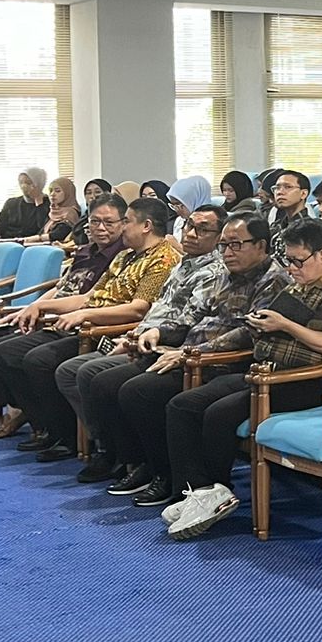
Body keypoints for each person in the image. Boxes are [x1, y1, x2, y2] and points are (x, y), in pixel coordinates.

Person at [160, 218, 322, 538]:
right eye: (288, 260)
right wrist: (260, 325)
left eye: (299, 261)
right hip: (264, 371)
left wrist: (284, 324)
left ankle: (218, 491)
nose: (292, 268)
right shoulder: (294, 287)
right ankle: (197, 491)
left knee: (218, 414)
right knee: (183, 405)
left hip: (303, 382)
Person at [104, 213, 288, 504]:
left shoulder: (274, 280)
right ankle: (151, 466)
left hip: (220, 363)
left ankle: (172, 478)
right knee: (117, 383)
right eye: (224, 245)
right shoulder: (225, 274)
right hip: (187, 354)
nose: (227, 252)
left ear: (261, 245)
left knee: (140, 391)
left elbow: (248, 332)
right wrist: (159, 331)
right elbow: (193, 315)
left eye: (236, 245)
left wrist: (190, 353)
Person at [0, 197, 182, 462]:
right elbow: (88, 297)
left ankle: (98, 444)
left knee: (46, 362)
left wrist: (83, 315)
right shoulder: (124, 256)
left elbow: (139, 309)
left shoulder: (163, 259)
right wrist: (41, 306)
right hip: (88, 323)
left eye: (126, 221)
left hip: (110, 330)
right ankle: (71, 433)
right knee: (10, 352)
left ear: (146, 226)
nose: (122, 227)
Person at [52, 204, 227, 482]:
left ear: (219, 237)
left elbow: (187, 322)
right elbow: (156, 310)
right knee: (75, 371)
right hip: (142, 338)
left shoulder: (211, 271)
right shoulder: (181, 264)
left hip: (169, 348)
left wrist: (139, 337)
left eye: (202, 229)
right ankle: (112, 451)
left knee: (107, 381)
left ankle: (133, 460)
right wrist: (133, 336)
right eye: (189, 226)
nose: (191, 234)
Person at [0, 193, 128, 439]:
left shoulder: (122, 257)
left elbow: (88, 299)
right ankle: (25, 409)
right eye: (95, 221)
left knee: (7, 353)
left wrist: (42, 310)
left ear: (124, 223)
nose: (100, 228)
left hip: (72, 321)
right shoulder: (85, 250)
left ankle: (46, 424)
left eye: (109, 222)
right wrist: (31, 307)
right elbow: (61, 286)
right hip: (50, 313)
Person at [267, 170, 310, 263]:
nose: (280, 192)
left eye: (288, 187)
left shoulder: (308, 228)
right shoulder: (276, 225)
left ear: (303, 194)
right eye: (277, 188)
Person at [0, 167, 49, 239]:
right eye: (21, 182)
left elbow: (43, 228)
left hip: (34, 242)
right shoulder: (11, 203)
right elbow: (0, 228)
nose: (23, 186)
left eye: (28, 183)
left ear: (39, 184)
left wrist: (38, 202)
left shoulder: (50, 204)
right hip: (11, 241)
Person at [28, 176, 82, 245]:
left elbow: (58, 235)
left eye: (57, 191)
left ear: (68, 193)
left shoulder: (71, 213)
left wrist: (31, 239)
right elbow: (40, 228)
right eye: (50, 191)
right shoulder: (54, 211)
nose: (52, 194)